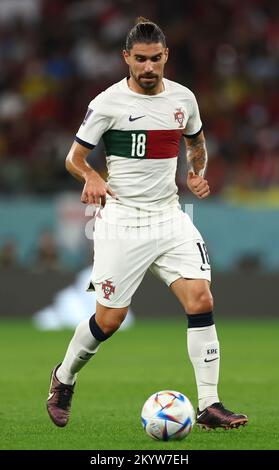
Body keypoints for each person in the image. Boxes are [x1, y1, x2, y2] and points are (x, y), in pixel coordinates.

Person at [46, 17, 248, 430]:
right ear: (127, 59)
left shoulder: (183, 99)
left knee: (201, 299)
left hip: (170, 216)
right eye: (140, 60)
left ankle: (209, 405)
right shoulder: (108, 103)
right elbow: (74, 158)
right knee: (109, 320)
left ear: (166, 56)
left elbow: (196, 142)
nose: (149, 68)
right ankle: (64, 378)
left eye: (156, 58)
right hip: (123, 220)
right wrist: (92, 175)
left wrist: (196, 171)